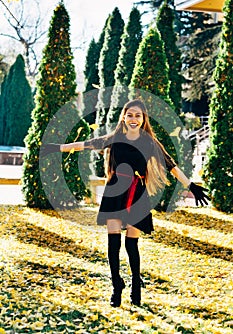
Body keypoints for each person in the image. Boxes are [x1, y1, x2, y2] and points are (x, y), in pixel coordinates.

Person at [41, 99, 210, 307]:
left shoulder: (150, 142)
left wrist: (191, 186)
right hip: (114, 192)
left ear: (143, 119)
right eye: (130, 115)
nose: (133, 119)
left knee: (132, 244)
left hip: (138, 194)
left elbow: (171, 166)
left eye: (138, 115)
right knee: (113, 242)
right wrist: (58, 147)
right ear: (124, 116)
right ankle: (116, 285)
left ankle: (136, 287)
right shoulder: (115, 138)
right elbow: (85, 145)